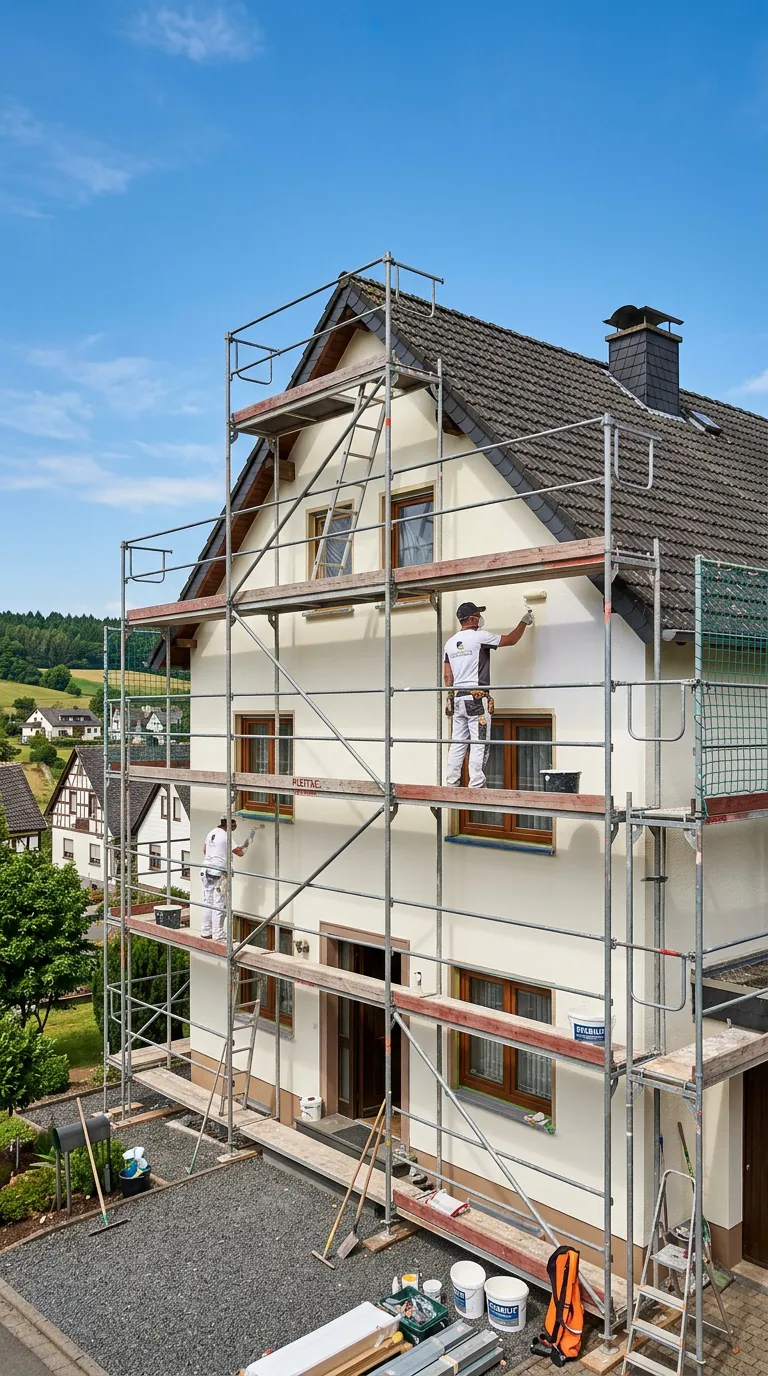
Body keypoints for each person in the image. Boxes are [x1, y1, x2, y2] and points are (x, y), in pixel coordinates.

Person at [443, 601, 534, 788]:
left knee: (458, 742)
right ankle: (476, 784)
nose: (480, 618)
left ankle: (451, 783)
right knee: (479, 741)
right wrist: (524, 622)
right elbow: (510, 640)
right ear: (471, 618)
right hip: (477, 697)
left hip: (458, 698)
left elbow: (447, 675)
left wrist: (450, 696)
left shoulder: (450, 643)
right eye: (477, 614)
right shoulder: (478, 637)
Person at [200, 816, 246, 941]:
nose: (235, 827)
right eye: (234, 825)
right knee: (220, 903)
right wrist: (246, 846)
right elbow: (240, 853)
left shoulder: (212, 833)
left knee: (208, 901)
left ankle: (206, 931)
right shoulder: (227, 836)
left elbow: (205, 850)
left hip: (206, 870)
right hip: (219, 873)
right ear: (229, 824)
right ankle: (218, 934)